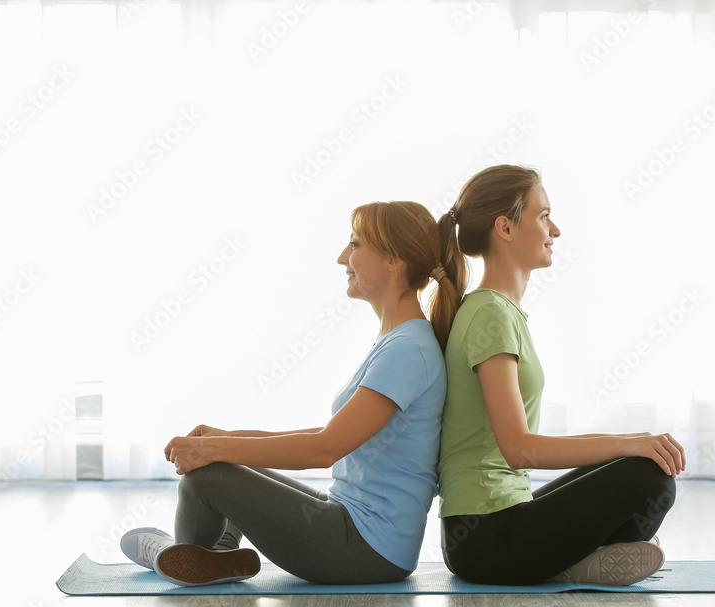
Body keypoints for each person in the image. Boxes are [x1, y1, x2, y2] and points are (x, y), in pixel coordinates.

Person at [120, 200, 464, 586]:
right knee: (233, 462)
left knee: (206, 477)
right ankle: (216, 555)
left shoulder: (407, 349)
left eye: (354, 245)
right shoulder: (399, 340)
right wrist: (227, 439)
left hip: (365, 549)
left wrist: (211, 451)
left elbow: (324, 449)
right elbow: (327, 436)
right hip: (355, 530)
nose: (341, 258)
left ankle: (172, 553)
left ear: (393, 260)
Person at [436, 165, 685, 586]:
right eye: (543, 215)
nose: (556, 230)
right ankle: (578, 560)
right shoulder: (489, 315)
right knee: (650, 479)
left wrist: (630, 444)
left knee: (637, 460)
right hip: (485, 538)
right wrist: (628, 443)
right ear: (506, 228)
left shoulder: (498, 311)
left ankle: (580, 558)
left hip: (495, 525)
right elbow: (519, 450)